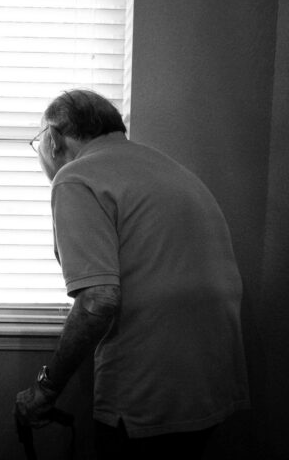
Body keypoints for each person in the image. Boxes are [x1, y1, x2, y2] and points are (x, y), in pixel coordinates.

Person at [14, 89, 250, 459]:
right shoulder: (168, 168)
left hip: (149, 387)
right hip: (212, 379)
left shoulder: (76, 177)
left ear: (54, 140)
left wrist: (46, 388)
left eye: (37, 142)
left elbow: (97, 300)